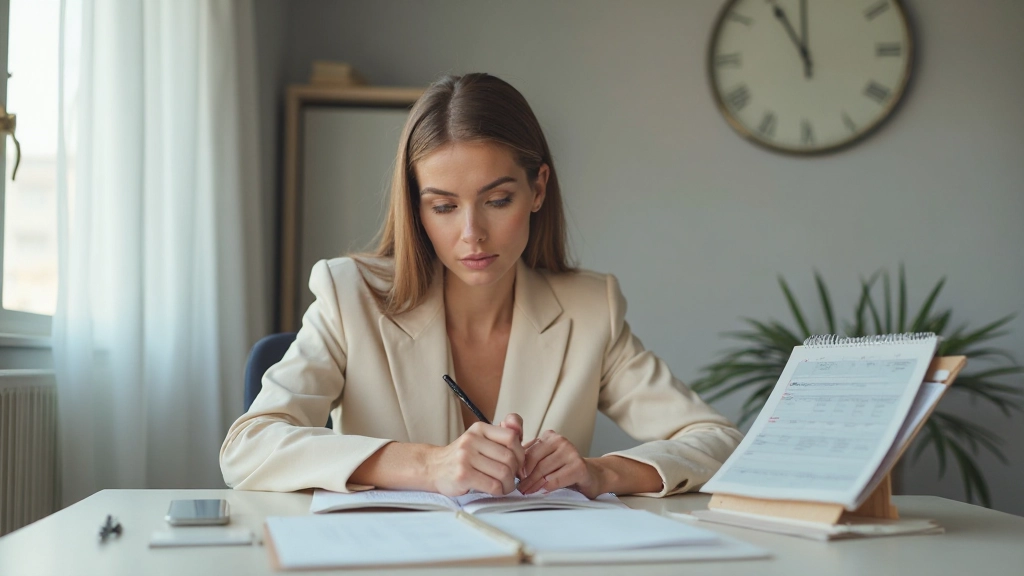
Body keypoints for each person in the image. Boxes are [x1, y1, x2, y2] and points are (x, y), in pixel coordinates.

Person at [220, 73, 742, 499]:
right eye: (443, 206)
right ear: (416, 208)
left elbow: (718, 441)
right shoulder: (349, 293)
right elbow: (249, 445)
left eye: (497, 200)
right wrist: (426, 465)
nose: (471, 234)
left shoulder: (589, 310)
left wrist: (603, 472)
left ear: (538, 189)